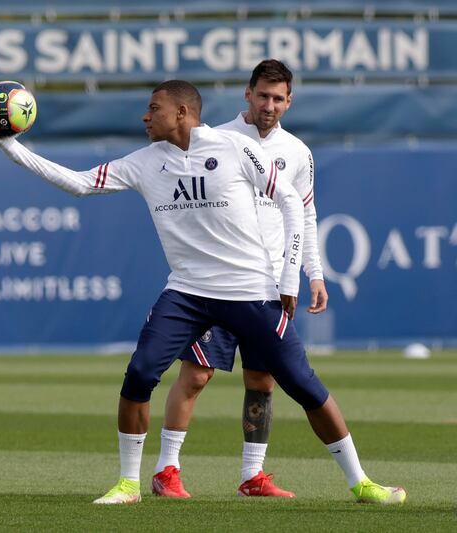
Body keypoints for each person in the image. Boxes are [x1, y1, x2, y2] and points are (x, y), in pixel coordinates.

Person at [0, 80, 405, 505]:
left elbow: (292, 203)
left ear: (182, 113)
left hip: (249, 291)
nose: (146, 117)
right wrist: (10, 147)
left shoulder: (233, 148)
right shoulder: (145, 162)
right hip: (186, 293)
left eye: (154, 108)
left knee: (303, 385)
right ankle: (130, 483)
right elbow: (77, 183)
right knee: (140, 374)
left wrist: (290, 277)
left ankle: (361, 482)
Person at [152, 59, 327, 500]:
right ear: (247, 95)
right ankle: (166, 470)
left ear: (289, 101)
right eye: (262, 95)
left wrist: (313, 273)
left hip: (268, 287)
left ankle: (253, 476)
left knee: (262, 381)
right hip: (220, 281)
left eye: (278, 98)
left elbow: (305, 214)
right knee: (195, 375)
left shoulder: (298, 153)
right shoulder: (219, 139)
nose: (269, 105)